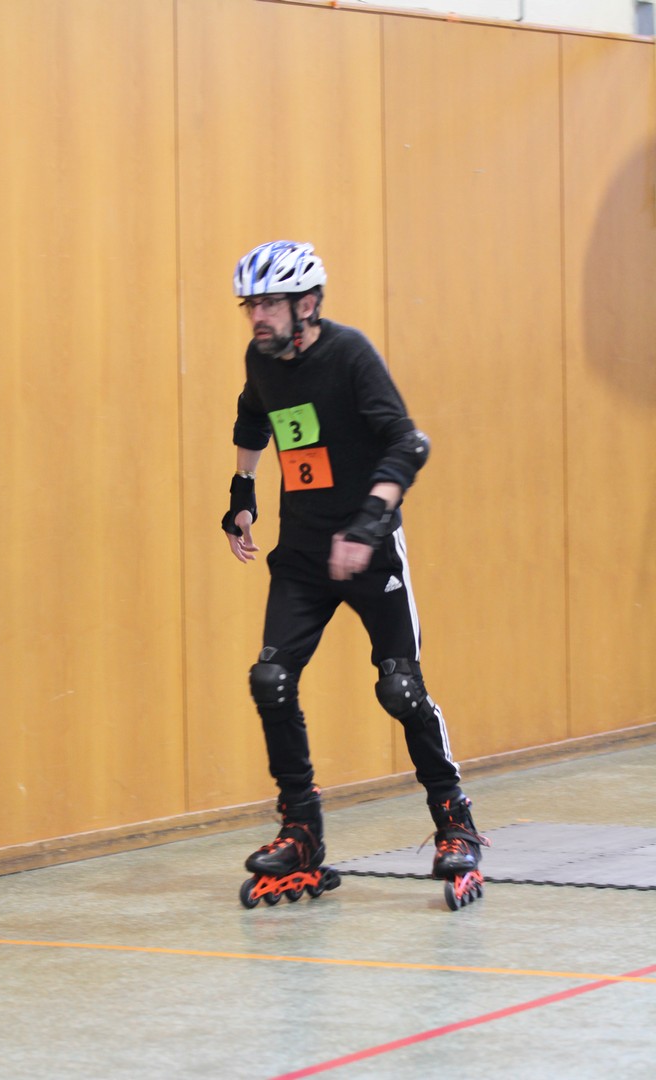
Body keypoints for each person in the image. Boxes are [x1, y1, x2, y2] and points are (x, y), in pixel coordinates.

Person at [222, 239, 485, 896]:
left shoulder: (349, 354)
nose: (257, 316)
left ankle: (455, 824)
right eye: (250, 304)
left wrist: (368, 525)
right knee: (270, 679)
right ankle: (301, 832)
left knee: (400, 689)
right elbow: (253, 415)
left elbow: (408, 443)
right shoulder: (262, 358)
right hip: (302, 554)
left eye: (270, 303)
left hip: (371, 552)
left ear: (308, 304)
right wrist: (242, 493)